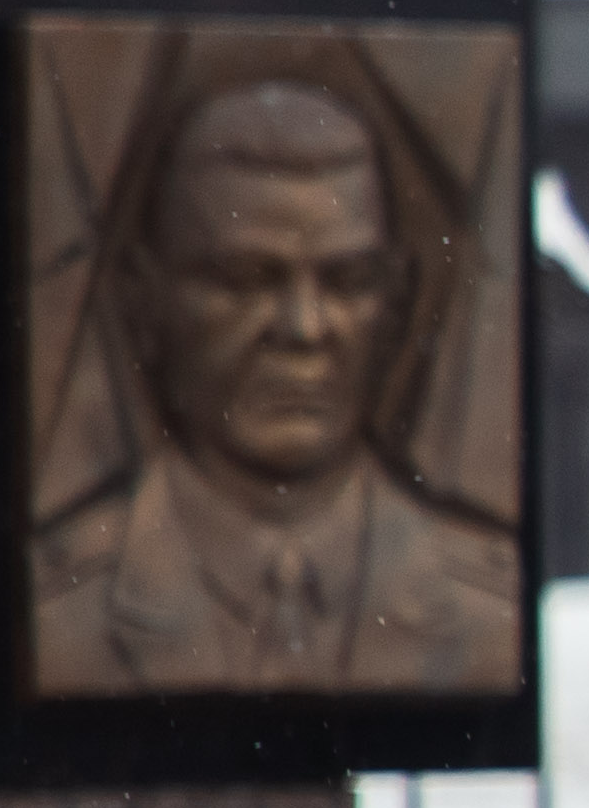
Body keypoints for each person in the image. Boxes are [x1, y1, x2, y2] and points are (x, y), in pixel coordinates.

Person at [31, 75, 523, 694]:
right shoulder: (53, 614)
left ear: (395, 307)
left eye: (348, 280)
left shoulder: (493, 610)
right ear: (144, 303)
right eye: (245, 279)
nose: (303, 329)